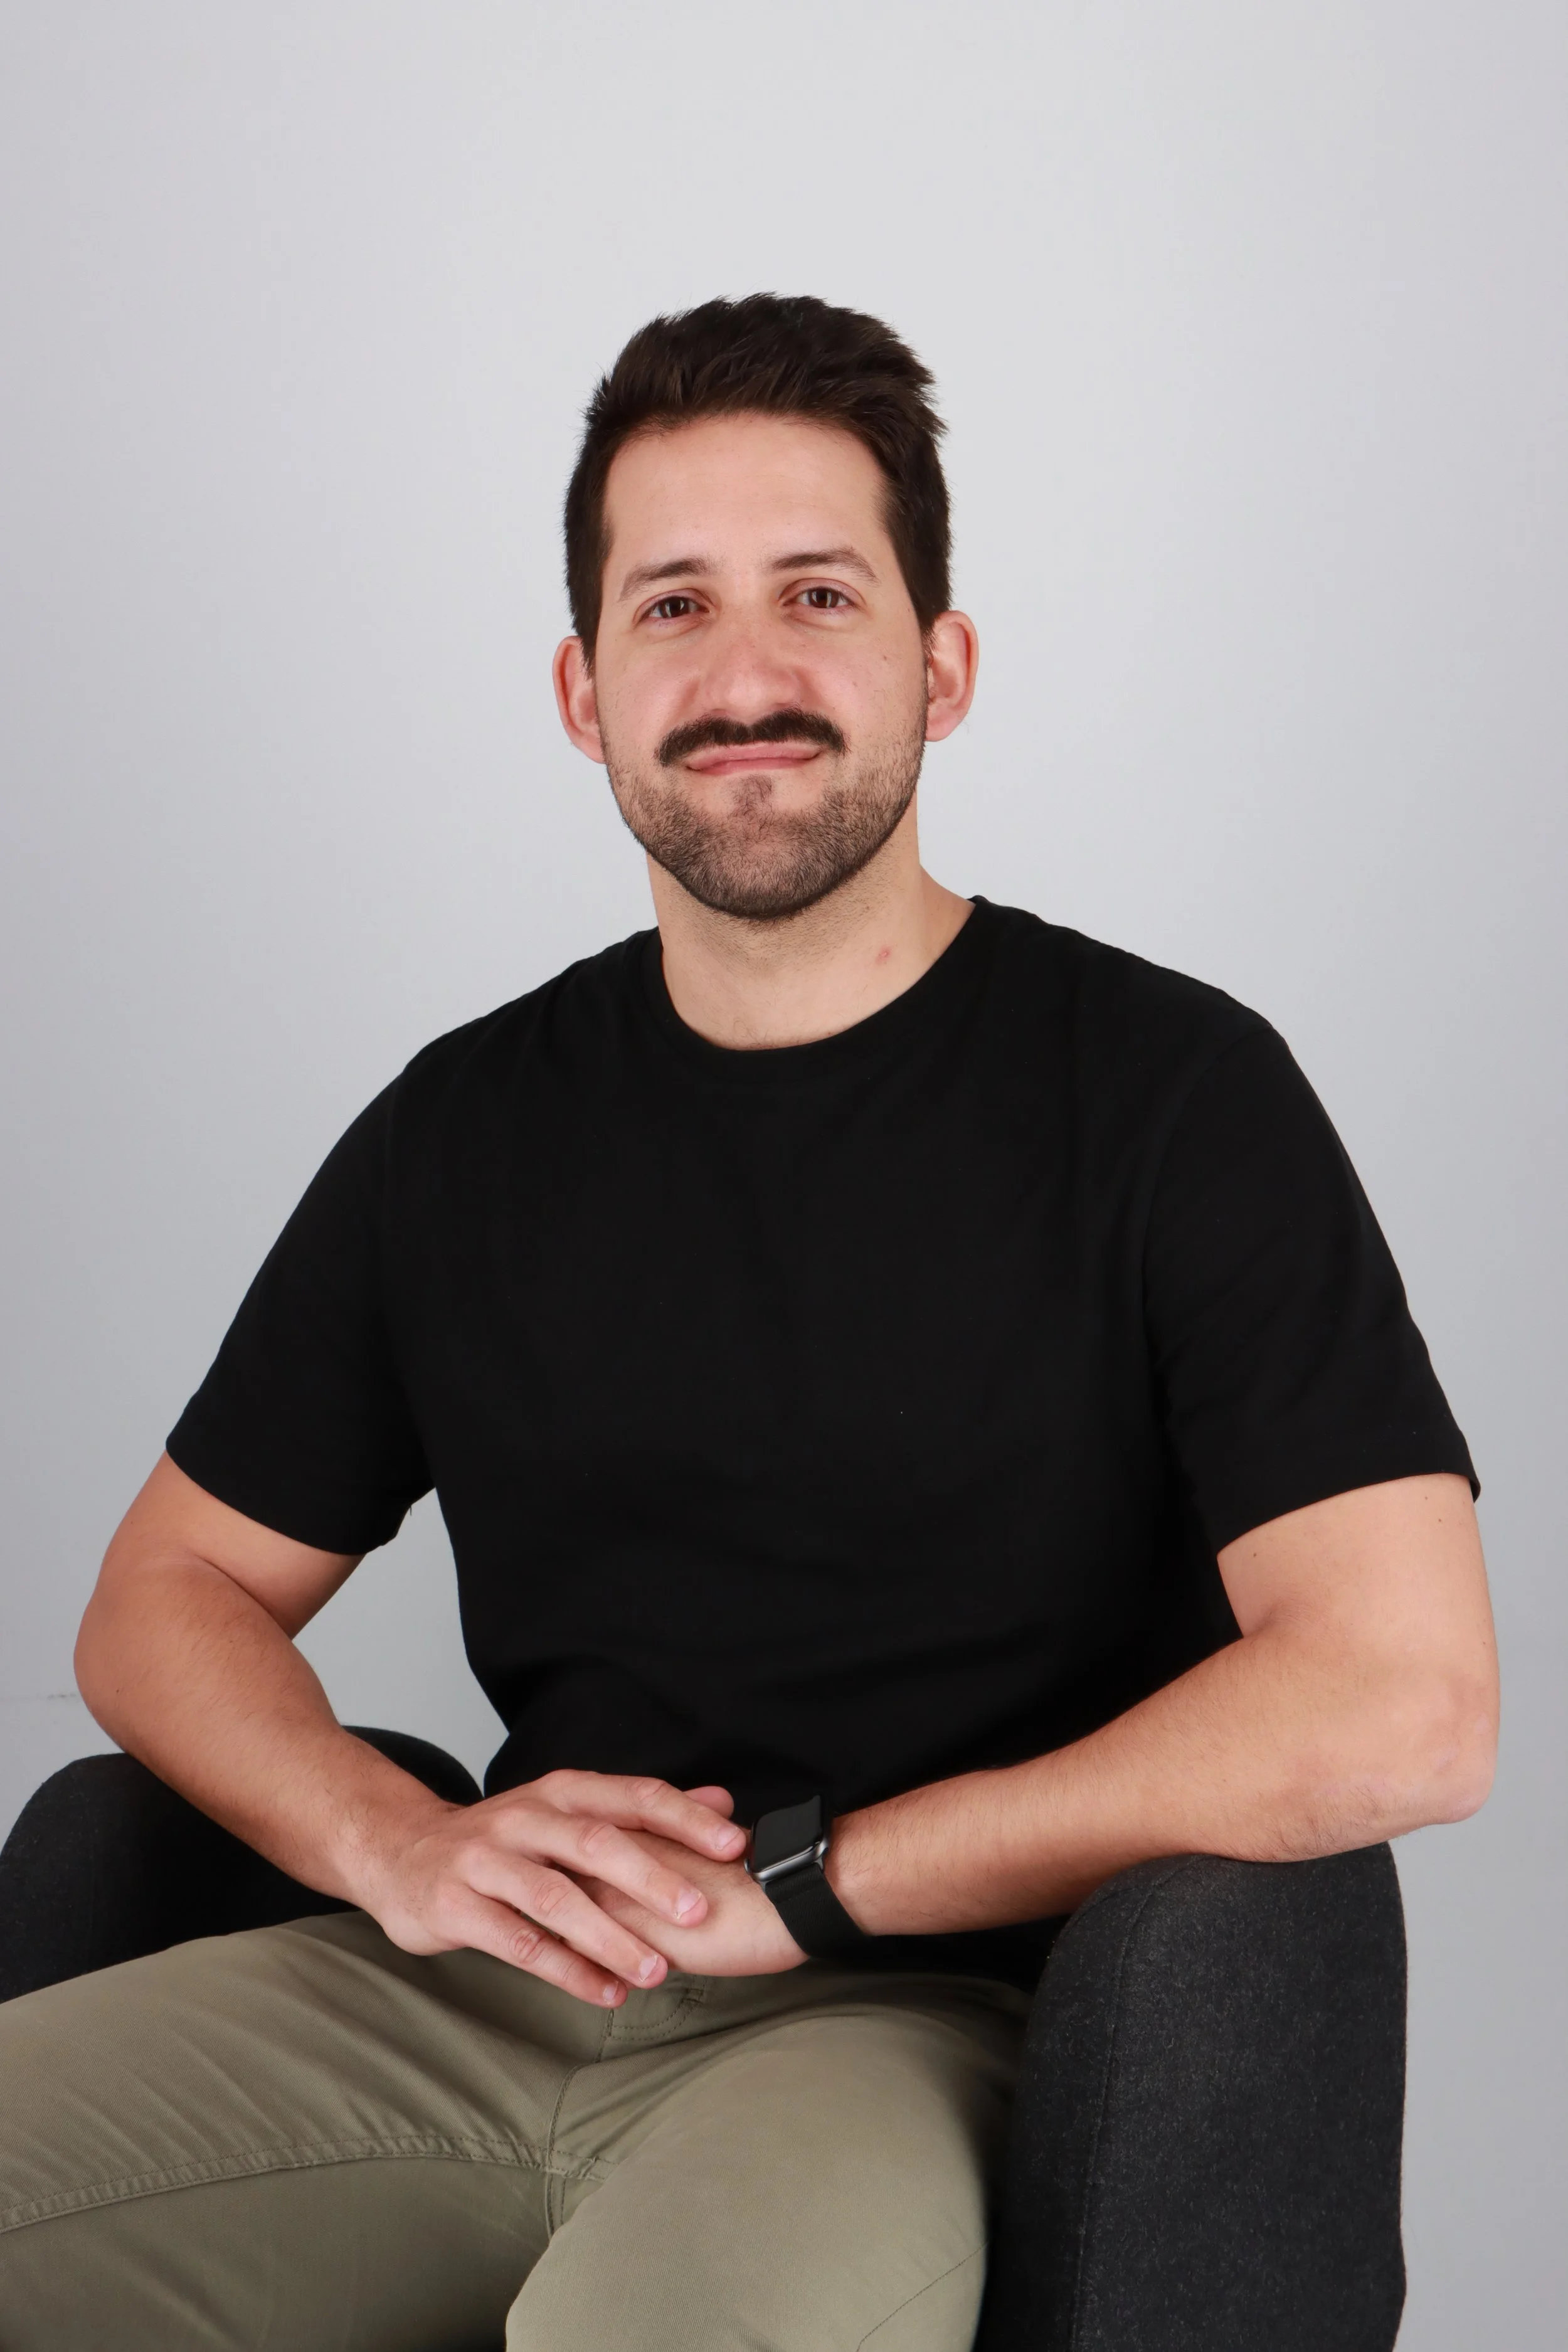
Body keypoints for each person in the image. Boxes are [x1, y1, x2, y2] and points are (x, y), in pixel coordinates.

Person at [0, 295, 1498, 2351]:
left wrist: (808, 1886)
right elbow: (159, 1596)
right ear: (581, 689)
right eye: (672, 606)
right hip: (465, 1999)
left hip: (902, 2025)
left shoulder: (1168, 1093)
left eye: (817, 592)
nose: (744, 675)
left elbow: (1404, 1696)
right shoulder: (466, 1125)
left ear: (937, 665)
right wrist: (398, 1840)